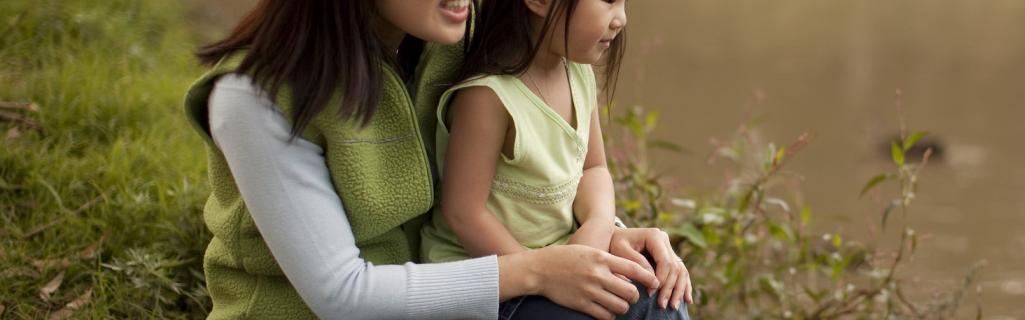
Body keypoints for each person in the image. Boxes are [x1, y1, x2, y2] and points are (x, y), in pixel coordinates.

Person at [182, 0, 671, 318]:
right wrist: (542, 270)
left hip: (458, 294)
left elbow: (538, 167)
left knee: (652, 297)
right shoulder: (254, 98)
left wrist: (606, 236)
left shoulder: (455, 35)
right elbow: (342, 296)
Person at [418, 0, 692, 318]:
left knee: (658, 291)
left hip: (559, 256)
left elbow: (594, 167)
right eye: (608, 2)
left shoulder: (577, 72)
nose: (621, 20)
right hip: (494, 283)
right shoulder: (488, 98)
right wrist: (545, 276)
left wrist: (599, 225)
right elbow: (464, 213)